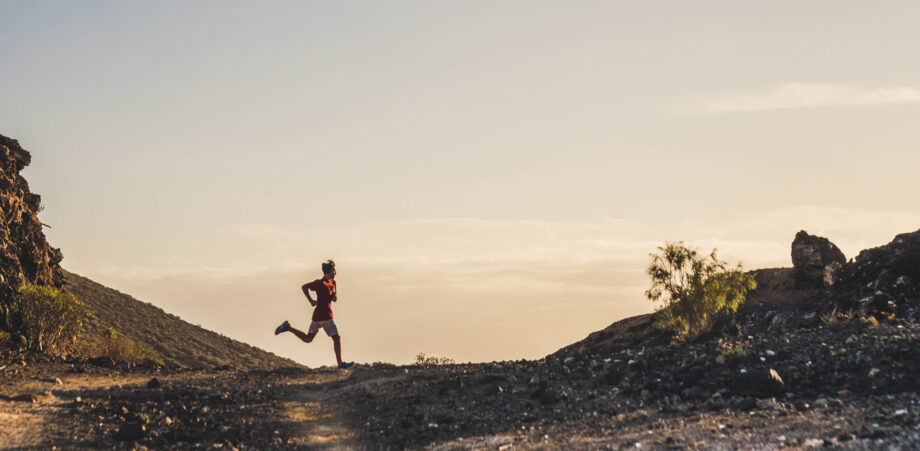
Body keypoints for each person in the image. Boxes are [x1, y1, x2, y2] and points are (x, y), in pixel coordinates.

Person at [275, 259, 354, 369]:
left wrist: (333, 291)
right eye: (334, 271)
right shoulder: (319, 283)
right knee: (336, 338)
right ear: (328, 271)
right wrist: (311, 301)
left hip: (318, 316)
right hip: (326, 316)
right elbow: (304, 287)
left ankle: (288, 328)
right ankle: (340, 364)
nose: (335, 273)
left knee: (308, 339)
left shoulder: (333, 283)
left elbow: (335, 299)